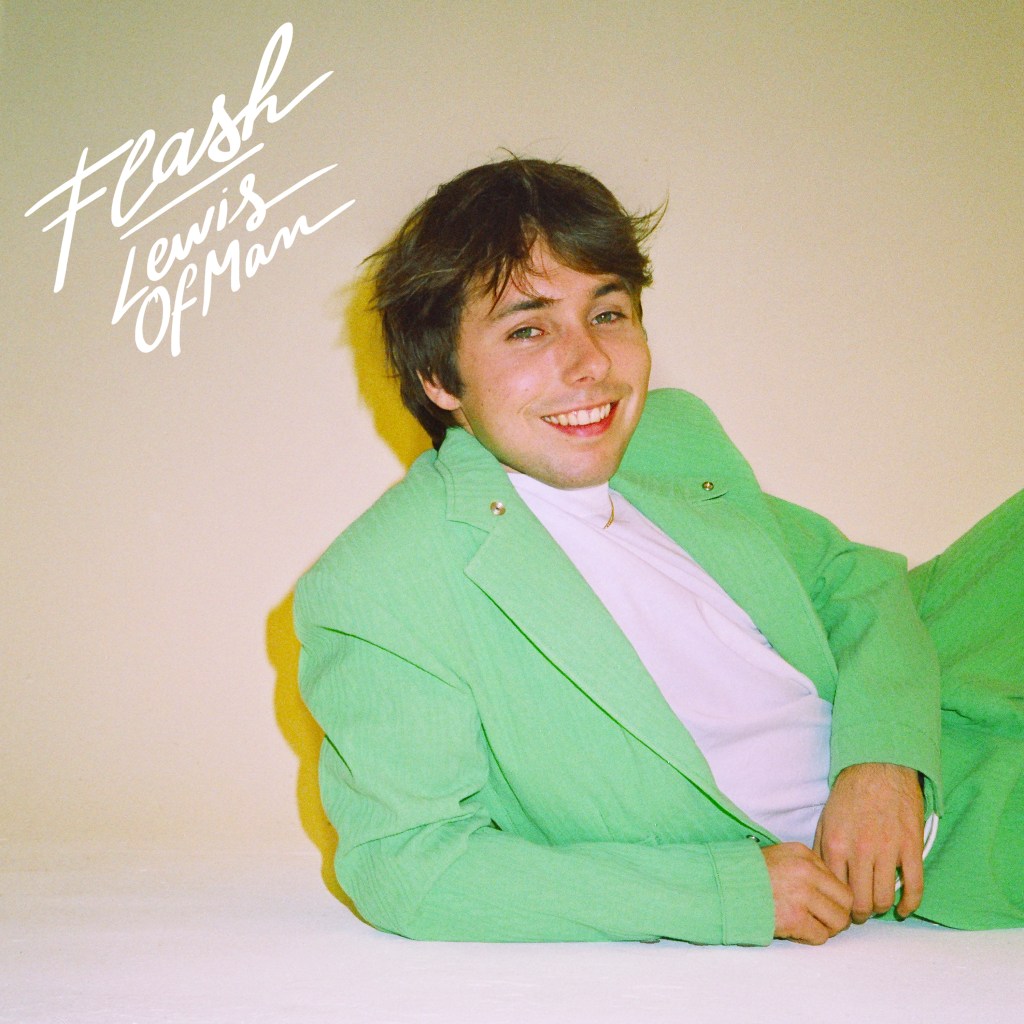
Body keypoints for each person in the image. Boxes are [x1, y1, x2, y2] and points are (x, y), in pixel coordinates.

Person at [295, 157, 1023, 945]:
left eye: (607, 314)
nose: (591, 363)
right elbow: (410, 867)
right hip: (959, 819)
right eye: (528, 329)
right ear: (438, 376)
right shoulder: (383, 582)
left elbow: (856, 583)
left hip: (936, 675)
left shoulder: (669, 440)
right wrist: (725, 892)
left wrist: (883, 757)